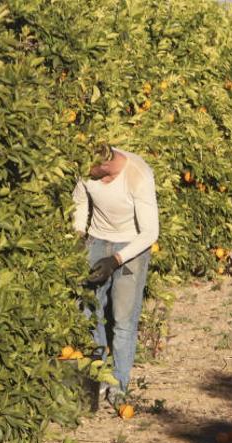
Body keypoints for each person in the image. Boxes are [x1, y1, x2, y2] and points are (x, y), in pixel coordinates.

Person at [72, 144, 159, 406]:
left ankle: (119, 386)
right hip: (97, 240)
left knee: (123, 320)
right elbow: (80, 201)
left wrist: (116, 260)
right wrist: (79, 236)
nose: (88, 173)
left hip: (131, 248)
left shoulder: (138, 175)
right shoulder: (87, 166)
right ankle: (95, 378)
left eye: (93, 170)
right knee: (87, 312)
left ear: (107, 165)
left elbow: (150, 233)